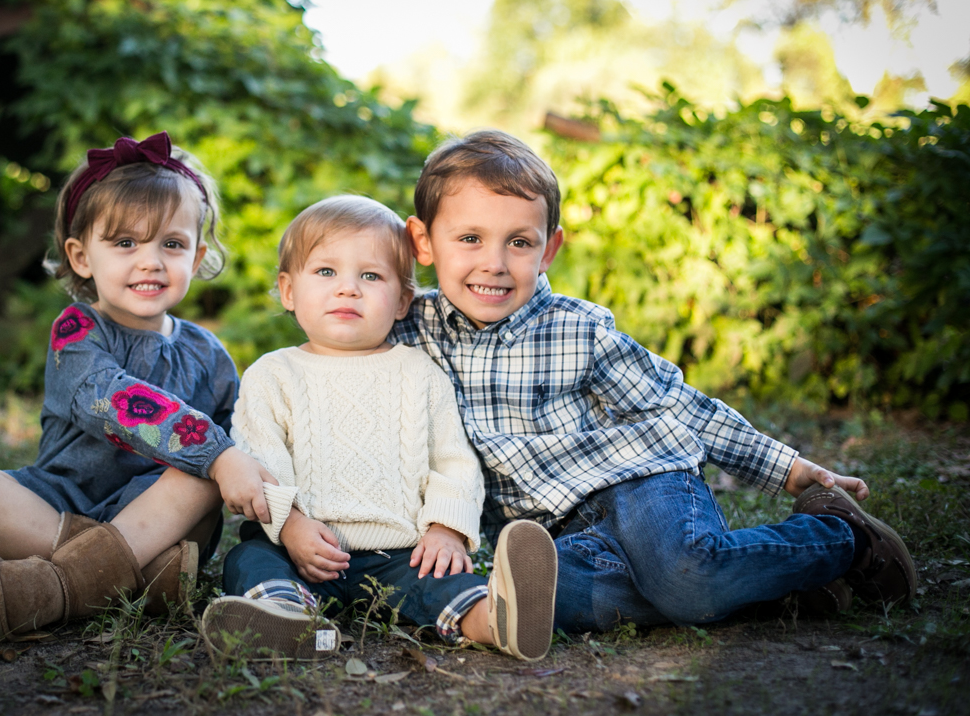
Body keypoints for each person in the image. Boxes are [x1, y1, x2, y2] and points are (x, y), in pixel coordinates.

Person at [390, 129, 917, 633]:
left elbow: (678, 407)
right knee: (537, 596)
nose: (495, 263)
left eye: (519, 243)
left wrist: (786, 469)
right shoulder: (409, 330)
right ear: (423, 241)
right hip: (556, 532)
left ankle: (841, 538)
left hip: (637, 483)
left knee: (684, 577)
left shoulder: (577, 330)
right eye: (470, 238)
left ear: (548, 250)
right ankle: (773, 588)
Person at [0, 132, 275, 640]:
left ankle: (55, 588)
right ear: (80, 256)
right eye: (125, 243)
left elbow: (246, 436)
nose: (150, 261)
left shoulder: (209, 354)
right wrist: (215, 452)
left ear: (197, 254)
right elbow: (113, 401)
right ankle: (141, 580)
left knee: (206, 472)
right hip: (58, 502)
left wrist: (232, 460)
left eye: (172, 243)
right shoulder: (76, 332)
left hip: (159, 516)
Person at [201, 195, 558, 661]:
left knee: (441, 582)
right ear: (289, 291)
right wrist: (290, 526)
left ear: (402, 300)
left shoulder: (420, 372)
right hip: (298, 545)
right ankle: (287, 617)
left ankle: (496, 620)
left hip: (401, 553)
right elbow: (259, 457)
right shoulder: (273, 373)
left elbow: (453, 458)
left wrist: (446, 529)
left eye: (370, 276)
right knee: (248, 561)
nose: (348, 289)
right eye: (326, 272)